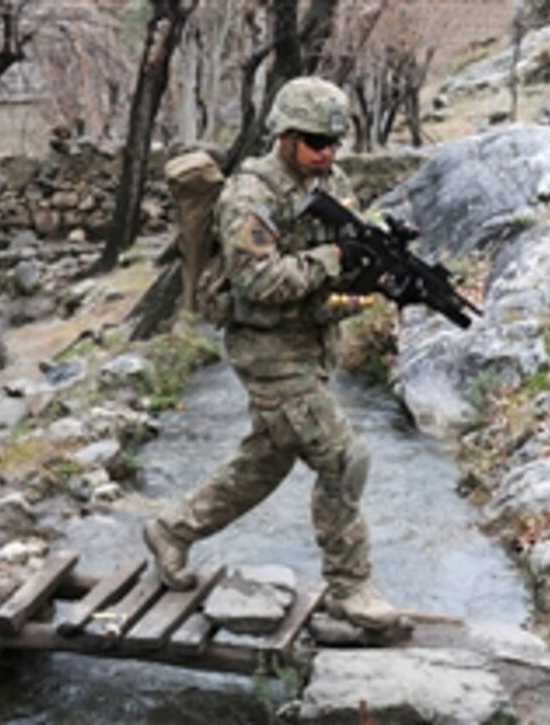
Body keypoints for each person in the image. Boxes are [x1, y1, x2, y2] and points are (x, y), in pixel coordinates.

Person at [142, 76, 400, 631]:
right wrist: (334, 258)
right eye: (314, 142)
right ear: (284, 135)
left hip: (311, 342)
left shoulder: (333, 179)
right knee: (343, 457)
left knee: (266, 461)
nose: (326, 154)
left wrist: (382, 267)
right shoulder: (251, 195)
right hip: (265, 348)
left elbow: (347, 250)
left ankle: (172, 529)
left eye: (334, 142)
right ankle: (349, 587)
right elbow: (259, 281)